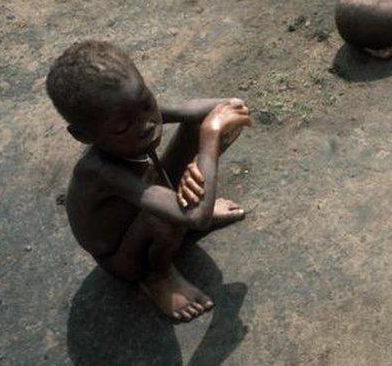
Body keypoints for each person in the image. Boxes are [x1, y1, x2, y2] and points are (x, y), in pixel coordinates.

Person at [46, 40, 251, 322]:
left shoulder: (131, 110)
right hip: (125, 257)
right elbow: (197, 217)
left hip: (148, 202)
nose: (146, 125)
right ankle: (158, 275)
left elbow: (216, 109)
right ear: (83, 135)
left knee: (197, 126)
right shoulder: (101, 171)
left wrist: (221, 117)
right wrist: (210, 137)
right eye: (122, 127)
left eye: (147, 103)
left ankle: (189, 208)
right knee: (163, 216)